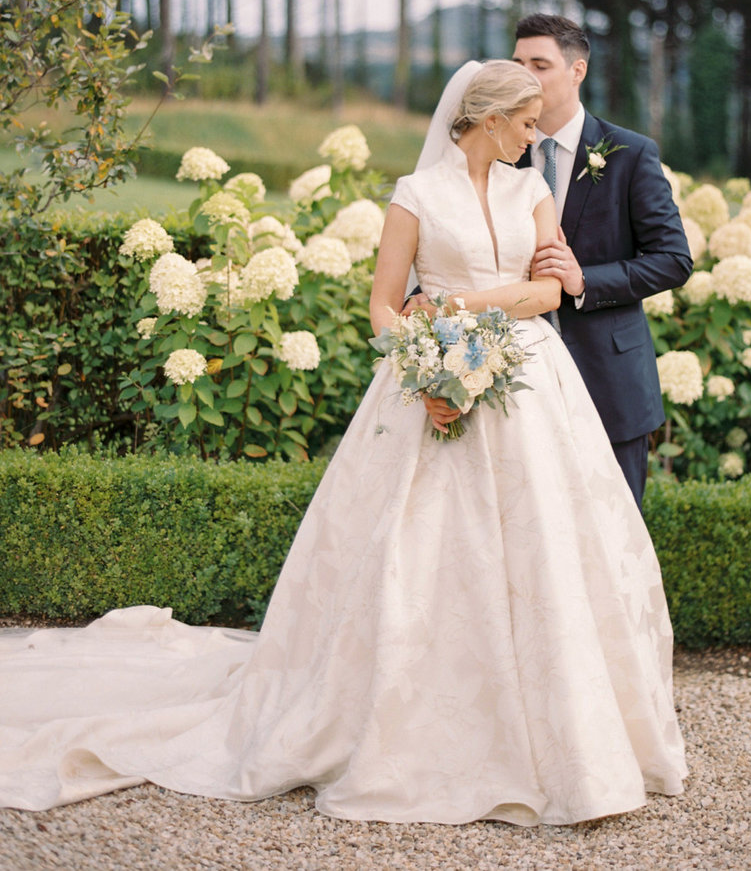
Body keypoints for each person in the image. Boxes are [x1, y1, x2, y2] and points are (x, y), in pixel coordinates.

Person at [0, 61, 686, 825]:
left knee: (548, 551)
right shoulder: (416, 195)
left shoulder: (532, 192)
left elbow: (548, 291)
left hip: (530, 387)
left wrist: (460, 307)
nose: (536, 135)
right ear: (489, 120)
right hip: (431, 388)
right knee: (417, 555)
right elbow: (384, 305)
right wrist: (423, 366)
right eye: (526, 122)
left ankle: (558, 734)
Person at [512, 14, 693, 509]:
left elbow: (674, 259)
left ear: (577, 71)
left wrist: (583, 279)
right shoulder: (502, 158)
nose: (525, 76)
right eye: (517, 63)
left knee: (616, 549)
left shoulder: (631, 154)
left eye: (540, 64)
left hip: (608, 385)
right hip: (516, 386)